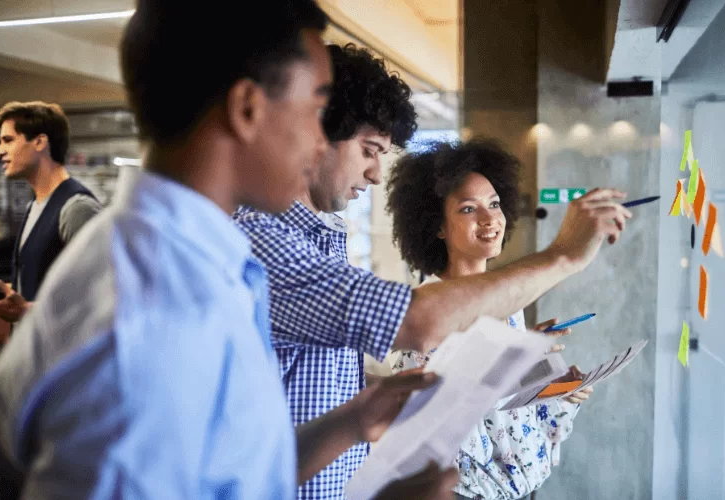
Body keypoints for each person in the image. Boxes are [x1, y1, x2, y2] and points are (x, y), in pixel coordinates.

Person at [0, 1, 457, 498]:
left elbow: (229, 473)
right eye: (315, 113)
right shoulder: (158, 306)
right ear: (247, 109)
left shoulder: (203, 264)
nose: (321, 144)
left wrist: (353, 422)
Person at [234, 43, 633, 499]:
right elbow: (416, 322)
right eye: (369, 150)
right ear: (314, 134)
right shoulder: (262, 243)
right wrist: (562, 255)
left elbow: (311, 382)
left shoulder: (319, 241)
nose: (375, 174)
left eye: (495, 204)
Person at [387, 139, 595, 500]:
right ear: (438, 226)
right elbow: (425, 422)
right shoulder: (430, 311)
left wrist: (552, 386)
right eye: (469, 209)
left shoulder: (507, 300)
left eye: (495, 204)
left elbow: (504, 404)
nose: (490, 219)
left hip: (522, 488)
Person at [0, 101, 101, 323]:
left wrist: (29, 311)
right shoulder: (35, 206)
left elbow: (100, 291)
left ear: (40, 142)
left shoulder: (76, 207)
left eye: (8, 140)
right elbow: (40, 284)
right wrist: (9, 292)